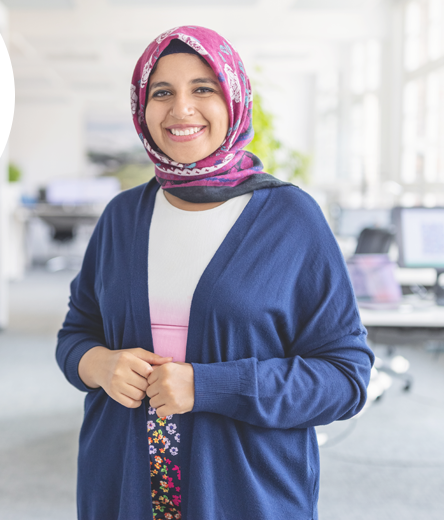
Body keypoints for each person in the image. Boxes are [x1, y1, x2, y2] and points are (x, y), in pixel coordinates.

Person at [56, 25, 374, 520]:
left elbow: (345, 377)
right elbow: (77, 333)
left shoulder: (291, 218)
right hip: (122, 488)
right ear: (143, 109)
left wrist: (207, 386)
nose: (181, 108)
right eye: (162, 92)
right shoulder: (121, 217)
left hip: (245, 494)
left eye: (203, 88)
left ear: (234, 100)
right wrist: (96, 364)